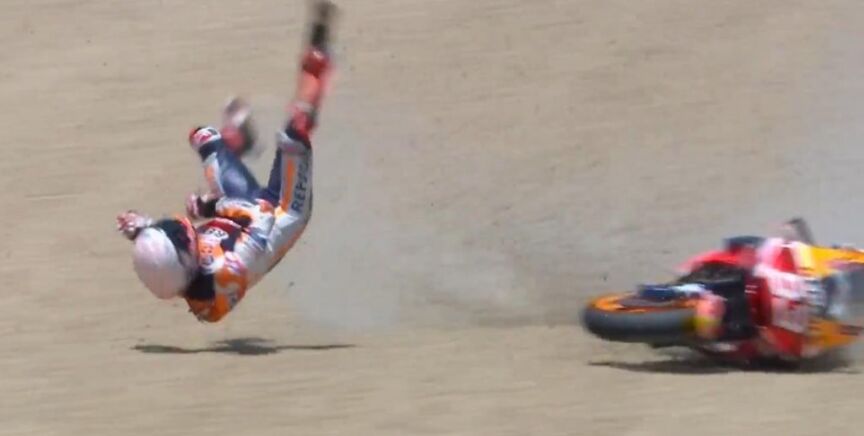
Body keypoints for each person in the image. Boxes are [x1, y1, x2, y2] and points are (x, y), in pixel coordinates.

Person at [116, 1, 336, 323]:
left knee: (202, 137)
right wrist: (210, 207)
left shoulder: (175, 271)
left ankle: (238, 142)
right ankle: (318, 60)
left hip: (237, 214)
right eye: (182, 240)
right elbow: (260, 214)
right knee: (296, 130)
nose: (185, 231)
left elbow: (165, 259)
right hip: (279, 212)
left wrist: (143, 231)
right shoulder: (229, 272)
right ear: (186, 263)